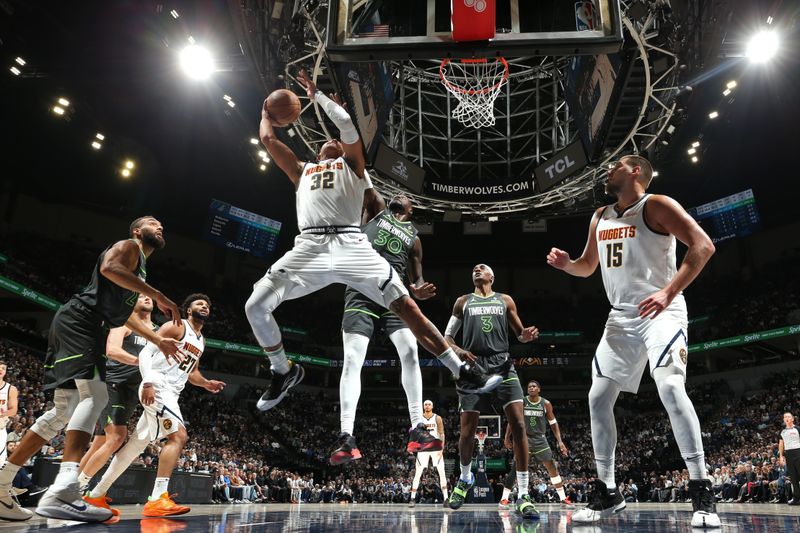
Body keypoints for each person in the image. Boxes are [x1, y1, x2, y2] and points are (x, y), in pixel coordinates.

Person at [244, 70, 500, 414]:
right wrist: (264, 114)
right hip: (310, 247)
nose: (333, 142)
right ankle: (282, 370)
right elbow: (269, 141)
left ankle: (461, 371)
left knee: (406, 305)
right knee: (254, 306)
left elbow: (347, 125)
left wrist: (316, 95)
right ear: (319, 152)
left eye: (337, 142)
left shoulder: (353, 166)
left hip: (352, 244)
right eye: (328, 143)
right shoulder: (301, 170)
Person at [546, 154, 719, 528]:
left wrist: (669, 292)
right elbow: (588, 266)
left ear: (636, 170)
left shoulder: (656, 204)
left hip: (662, 309)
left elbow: (703, 246)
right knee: (597, 397)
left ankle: (702, 490)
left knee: (670, 387)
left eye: (616, 165)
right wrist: (567, 265)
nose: (608, 170)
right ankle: (608, 491)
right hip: (621, 318)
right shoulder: (600, 216)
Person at [0, 216, 182, 523]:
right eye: (152, 222)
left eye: (162, 224)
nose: (160, 225)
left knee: (62, 411)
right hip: (82, 323)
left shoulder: (136, 269)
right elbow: (108, 268)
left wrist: (156, 339)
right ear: (137, 230)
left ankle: (3, 485)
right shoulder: (129, 247)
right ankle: (64, 493)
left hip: (83, 324)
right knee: (95, 397)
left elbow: (124, 316)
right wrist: (159, 295)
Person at [83, 294, 224, 518]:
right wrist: (148, 381)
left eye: (207, 304)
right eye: (199, 304)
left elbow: (192, 372)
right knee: (178, 437)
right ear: (188, 310)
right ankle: (158, 498)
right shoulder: (176, 326)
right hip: (157, 386)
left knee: (133, 448)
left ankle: (96, 494)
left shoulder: (201, 340)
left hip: (171, 392)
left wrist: (206, 383)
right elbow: (147, 352)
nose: (204, 306)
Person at [333, 191, 448, 465]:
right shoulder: (376, 210)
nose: (399, 194)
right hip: (361, 288)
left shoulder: (415, 238)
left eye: (406, 195)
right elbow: (364, 182)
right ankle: (346, 435)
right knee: (352, 358)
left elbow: (417, 279)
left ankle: (417, 428)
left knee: (410, 351)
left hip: (394, 294)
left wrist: (418, 291)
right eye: (397, 192)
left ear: (411, 209)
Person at [444, 264, 540, 519]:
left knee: (519, 425)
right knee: (466, 432)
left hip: (503, 365)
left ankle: (523, 494)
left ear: (492, 277)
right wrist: (460, 351)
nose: (477, 269)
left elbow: (519, 333)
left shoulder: (505, 300)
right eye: (474, 268)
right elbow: (447, 338)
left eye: (482, 268)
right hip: (473, 367)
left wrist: (526, 336)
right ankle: (465, 479)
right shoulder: (462, 302)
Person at [77, 294, 157, 491]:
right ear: (132, 302)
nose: (147, 298)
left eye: (149, 297)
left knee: (99, 444)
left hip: (132, 392)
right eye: (141, 296)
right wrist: (141, 362)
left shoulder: (158, 331)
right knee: (117, 437)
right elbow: (112, 350)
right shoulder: (125, 322)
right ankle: (79, 487)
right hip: (112, 384)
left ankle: (68, 486)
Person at [499, 380, 571, 507]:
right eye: (529, 387)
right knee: (515, 468)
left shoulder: (546, 404)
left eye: (534, 386)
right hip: (523, 438)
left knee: (551, 467)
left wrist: (560, 442)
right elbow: (513, 421)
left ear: (539, 389)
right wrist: (507, 438)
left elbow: (553, 423)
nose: (531, 388)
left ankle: (563, 498)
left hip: (540, 439)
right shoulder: (522, 402)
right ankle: (504, 498)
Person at [409, 400, 448, 506]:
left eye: (429, 404)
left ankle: (446, 499)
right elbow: (414, 433)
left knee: (442, 472)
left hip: (436, 448)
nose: (427, 406)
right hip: (423, 448)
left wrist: (442, 449)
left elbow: (442, 434)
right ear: (423, 406)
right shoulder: (419, 419)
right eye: (425, 404)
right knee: (417, 473)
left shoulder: (437, 418)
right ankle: (412, 499)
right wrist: (412, 446)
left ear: (432, 406)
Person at [779, 412, 800, 505]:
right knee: (793, 478)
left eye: (788, 416)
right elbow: (781, 443)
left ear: (792, 419)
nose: (787, 418)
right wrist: (781, 456)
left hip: (798, 452)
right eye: (785, 417)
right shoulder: (782, 431)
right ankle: (796, 498)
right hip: (788, 454)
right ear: (784, 420)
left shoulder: (798, 428)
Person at [0, 362, 19, 465]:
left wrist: (3, 414)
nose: (1, 370)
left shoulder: (11, 389)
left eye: (3, 368)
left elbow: (13, 410)